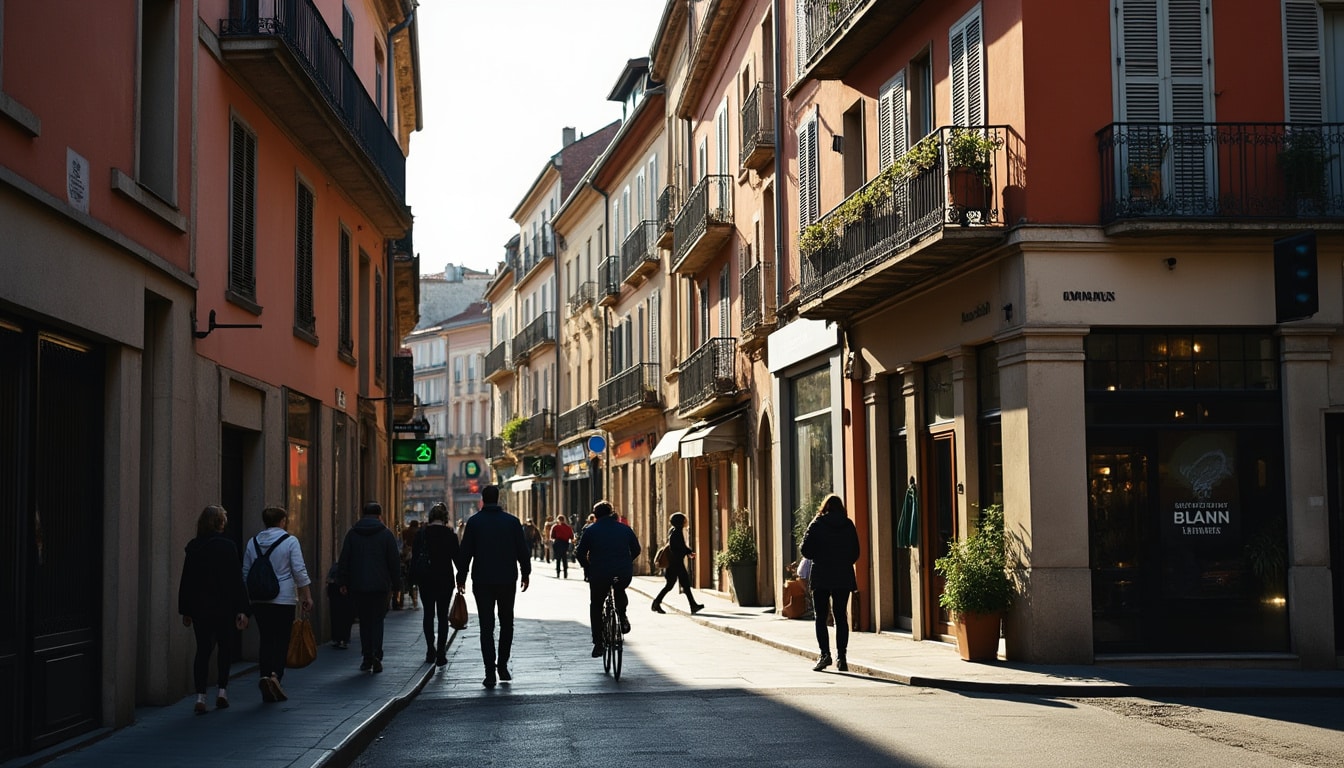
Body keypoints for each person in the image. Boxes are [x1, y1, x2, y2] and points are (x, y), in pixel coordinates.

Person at [455, 484, 530, 688]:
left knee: (486, 627)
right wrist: (526, 573)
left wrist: (461, 577)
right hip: (507, 579)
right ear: (498, 499)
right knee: (507, 623)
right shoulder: (512, 522)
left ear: (483, 499)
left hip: (482, 581)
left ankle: (490, 672)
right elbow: (522, 550)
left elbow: (466, 552)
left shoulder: (475, 522)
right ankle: (503, 666)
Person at [178, 505, 250, 714]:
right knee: (225, 648)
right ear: (220, 523)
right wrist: (242, 609)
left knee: (202, 650)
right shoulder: (227, 547)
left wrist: (186, 610)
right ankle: (222, 692)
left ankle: (200, 696)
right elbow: (236, 580)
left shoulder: (194, 547)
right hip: (224, 606)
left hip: (200, 607)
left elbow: (187, 580)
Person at [242, 506, 313, 703]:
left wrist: (249, 599)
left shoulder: (252, 542)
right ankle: (276, 677)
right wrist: (307, 595)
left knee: (266, 639)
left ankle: (264, 675)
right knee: (282, 639)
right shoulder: (290, 541)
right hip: (283, 598)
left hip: (259, 599)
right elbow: (299, 570)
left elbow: (246, 572)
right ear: (282, 521)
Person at [337, 501, 402, 674]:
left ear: (363, 515)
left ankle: (367, 657)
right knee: (377, 621)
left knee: (364, 622)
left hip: (358, 586)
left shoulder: (352, 534)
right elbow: (394, 562)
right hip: (380, 586)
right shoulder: (386, 535)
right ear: (379, 515)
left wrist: (342, 582)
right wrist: (398, 586)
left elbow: (345, 560)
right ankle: (376, 654)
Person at [799, 494, 860, 672]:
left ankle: (824, 654)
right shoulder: (848, 525)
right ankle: (842, 657)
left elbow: (805, 550)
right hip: (843, 576)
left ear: (824, 507)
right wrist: (843, 561)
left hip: (822, 575)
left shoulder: (817, 524)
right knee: (841, 617)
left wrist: (821, 555)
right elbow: (855, 552)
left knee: (821, 616)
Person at [575, 500, 641, 659]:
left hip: (599, 574)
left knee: (596, 605)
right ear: (611, 513)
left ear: (595, 515)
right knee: (619, 588)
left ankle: (598, 643)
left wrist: (588, 568)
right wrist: (626, 562)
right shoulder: (625, 529)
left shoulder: (590, 530)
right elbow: (637, 549)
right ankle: (623, 616)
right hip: (622, 573)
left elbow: (579, 553)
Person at [414, 502, 460, 666]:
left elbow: (415, 559)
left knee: (428, 614)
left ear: (430, 517)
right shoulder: (450, 535)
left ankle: (429, 650)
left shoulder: (421, 534)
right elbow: (458, 560)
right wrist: (461, 580)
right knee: (442, 616)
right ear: (445, 518)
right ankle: (441, 652)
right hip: (445, 581)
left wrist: (413, 581)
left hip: (426, 580)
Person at [651, 512, 704, 615]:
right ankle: (656, 603)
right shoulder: (676, 532)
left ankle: (693, 605)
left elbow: (680, 546)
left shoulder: (674, 531)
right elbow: (676, 547)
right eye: (684, 520)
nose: (686, 521)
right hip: (675, 564)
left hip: (675, 563)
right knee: (674, 585)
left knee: (683, 584)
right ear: (680, 522)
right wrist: (687, 552)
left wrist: (688, 552)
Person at [325, 561, 353, 650]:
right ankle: (344, 639)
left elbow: (329, 581)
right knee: (346, 616)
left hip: (335, 591)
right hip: (346, 592)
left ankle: (337, 638)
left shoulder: (336, 567)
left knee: (336, 615)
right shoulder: (350, 567)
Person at [399, 519, 420, 609]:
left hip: (406, 556)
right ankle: (414, 596)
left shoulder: (405, 532)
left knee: (406, 575)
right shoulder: (419, 533)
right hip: (416, 556)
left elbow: (403, 543)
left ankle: (406, 592)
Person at [550, 514, 573, 578]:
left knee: (558, 558)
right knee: (564, 558)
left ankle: (558, 572)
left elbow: (552, 536)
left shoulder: (555, 527)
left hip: (558, 543)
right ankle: (565, 572)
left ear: (558, 520)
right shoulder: (568, 528)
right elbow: (571, 536)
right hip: (565, 544)